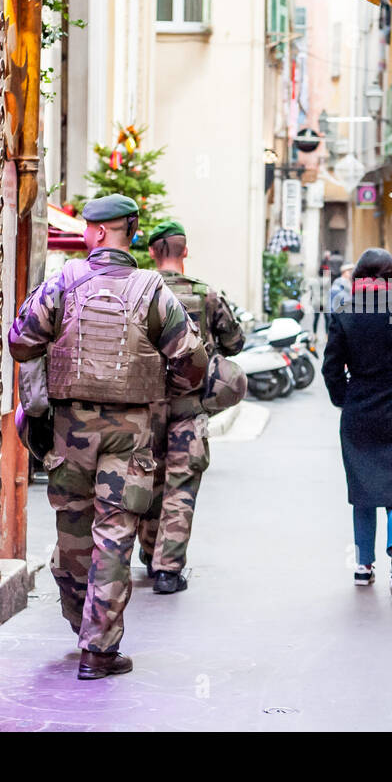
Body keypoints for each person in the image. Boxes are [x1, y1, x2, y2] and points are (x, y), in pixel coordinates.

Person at [7, 194, 207, 680]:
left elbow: (20, 341)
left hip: (69, 430)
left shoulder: (63, 283)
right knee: (114, 534)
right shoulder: (152, 289)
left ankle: (83, 626)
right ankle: (99, 648)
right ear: (132, 233)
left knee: (73, 533)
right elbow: (194, 364)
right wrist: (161, 390)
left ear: (95, 233)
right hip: (130, 433)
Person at [136, 220, 245, 595]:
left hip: (144, 406)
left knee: (148, 477)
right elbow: (234, 342)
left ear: (152, 252)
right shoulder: (206, 294)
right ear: (185, 252)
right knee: (181, 484)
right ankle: (167, 569)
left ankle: (150, 552)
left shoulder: (140, 292)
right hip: (189, 404)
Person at [322, 247, 392, 600]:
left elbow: (330, 368)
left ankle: (363, 566)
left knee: (362, 488)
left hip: (360, 410)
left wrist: (343, 397)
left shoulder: (345, 312)